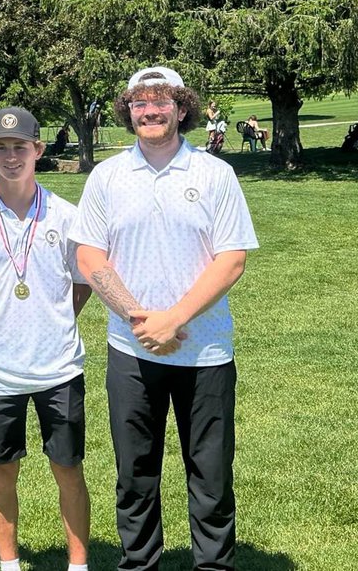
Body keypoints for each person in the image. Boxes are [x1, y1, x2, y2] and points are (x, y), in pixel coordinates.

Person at [71, 66, 258, 571]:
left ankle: (214, 566)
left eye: (160, 102)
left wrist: (173, 319)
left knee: (211, 475)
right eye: (139, 103)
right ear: (128, 110)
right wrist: (140, 319)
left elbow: (232, 259)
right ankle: (140, 564)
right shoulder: (107, 177)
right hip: (131, 350)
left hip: (207, 351)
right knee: (135, 474)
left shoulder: (214, 173)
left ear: (181, 108)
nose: (149, 111)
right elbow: (89, 256)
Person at [0, 107, 92, 571]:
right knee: (2, 469)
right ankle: (8, 563)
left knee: (67, 468)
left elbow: (83, 280)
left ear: (38, 151)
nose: (11, 157)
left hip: (59, 366)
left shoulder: (68, 216)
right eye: (1, 148)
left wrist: (55, 320)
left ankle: (79, 563)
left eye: (20, 147)